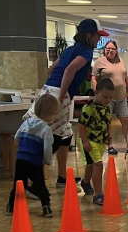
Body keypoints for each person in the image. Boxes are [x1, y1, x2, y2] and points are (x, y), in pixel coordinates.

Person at [25, 18, 109, 191]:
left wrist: (49, 89)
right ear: (89, 35)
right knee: (49, 136)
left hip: (49, 90)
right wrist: (62, 96)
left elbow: (52, 69)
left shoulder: (70, 49)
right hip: (58, 94)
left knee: (65, 134)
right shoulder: (86, 51)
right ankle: (31, 181)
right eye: (97, 35)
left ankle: (62, 177)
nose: (99, 39)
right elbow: (70, 69)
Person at [6, 94, 59, 218]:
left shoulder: (26, 123)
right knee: (40, 185)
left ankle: (10, 206)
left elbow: (16, 137)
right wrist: (47, 160)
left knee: (19, 184)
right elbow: (47, 148)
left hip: (21, 159)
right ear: (50, 114)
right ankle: (46, 207)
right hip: (35, 161)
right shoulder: (46, 129)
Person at [92, 40, 128, 154]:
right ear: (104, 50)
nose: (110, 51)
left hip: (121, 96)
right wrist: (96, 91)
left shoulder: (120, 61)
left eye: (112, 49)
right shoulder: (100, 62)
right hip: (106, 98)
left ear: (116, 51)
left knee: (125, 120)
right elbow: (94, 78)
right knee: (108, 121)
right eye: (108, 49)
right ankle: (110, 145)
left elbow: (125, 79)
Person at [78, 77, 116, 205]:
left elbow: (108, 123)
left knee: (91, 165)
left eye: (111, 98)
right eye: (105, 97)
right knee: (98, 165)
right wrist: (85, 141)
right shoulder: (89, 108)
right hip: (90, 140)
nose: (108, 100)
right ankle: (98, 194)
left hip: (100, 142)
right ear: (96, 92)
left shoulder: (107, 108)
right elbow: (81, 125)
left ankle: (86, 182)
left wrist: (109, 136)